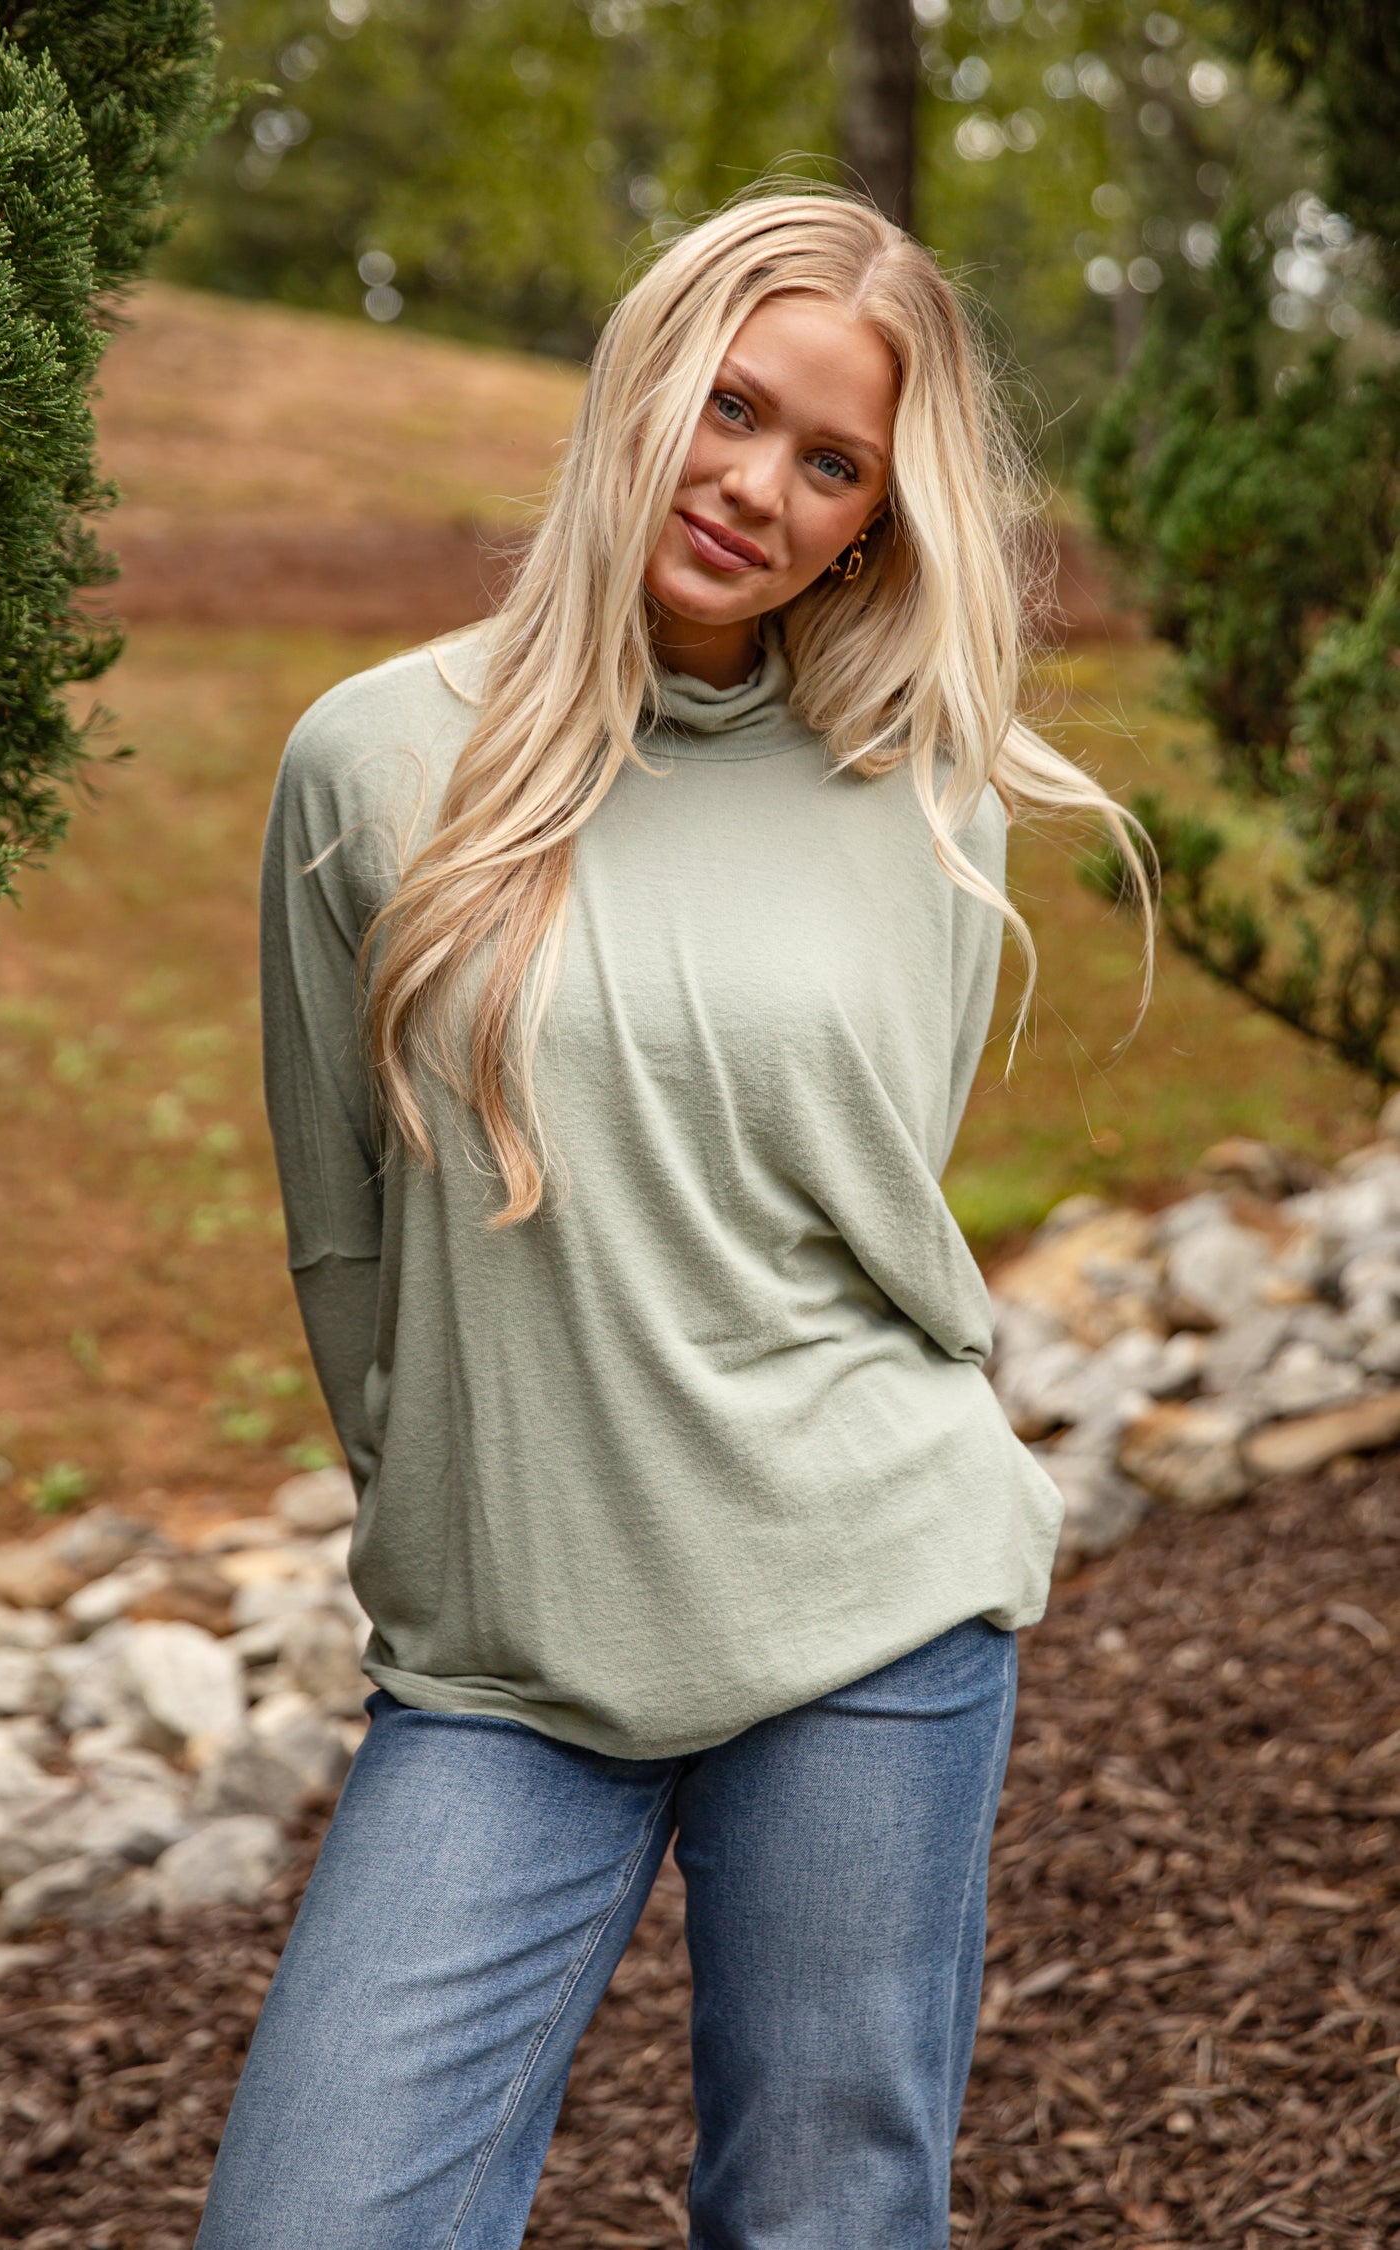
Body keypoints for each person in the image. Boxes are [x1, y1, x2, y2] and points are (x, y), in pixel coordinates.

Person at [195, 189, 1152, 2249]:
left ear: (875, 529)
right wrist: (479, 1519)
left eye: (832, 466)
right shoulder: (367, 766)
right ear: (646, 376)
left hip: (862, 1611)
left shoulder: (919, 796)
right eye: (733, 407)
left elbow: (860, 1202)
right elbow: (345, 1240)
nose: (754, 489)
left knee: (821, 2217)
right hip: (507, 1665)